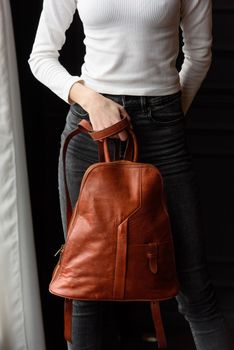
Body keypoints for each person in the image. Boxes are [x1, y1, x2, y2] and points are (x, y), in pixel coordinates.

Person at [28, 0, 232, 349]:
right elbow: (41, 57)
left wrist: (166, 118)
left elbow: (199, 55)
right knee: (85, 289)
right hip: (90, 128)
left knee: (195, 289)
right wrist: (93, 101)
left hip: (163, 127)